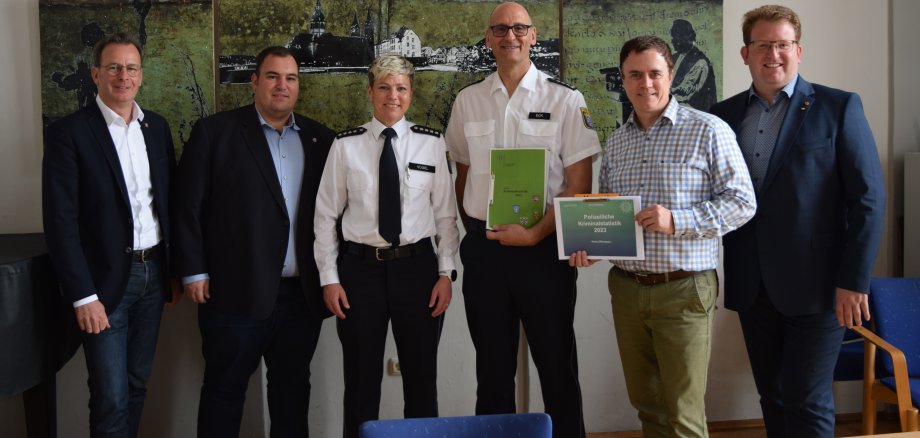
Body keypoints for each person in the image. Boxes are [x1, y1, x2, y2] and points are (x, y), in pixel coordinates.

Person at [709, 5, 885, 437]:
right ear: (744, 53)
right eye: (763, 45)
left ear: (799, 50)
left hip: (821, 286)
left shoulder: (839, 107)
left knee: (808, 401)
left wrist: (854, 279)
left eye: (783, 44)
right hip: (753, 284)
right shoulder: (723, 116)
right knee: (772, 396)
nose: (773, 54)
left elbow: (868, 200)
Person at [570, 35, 756, 437]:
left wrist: (679, 220)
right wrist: (592, 245)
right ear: (623, 80)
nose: (646, 83)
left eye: (655, 73)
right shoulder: (617, 143)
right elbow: (612, 215)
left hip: (684, 290)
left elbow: (743, 203)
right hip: (626, 290)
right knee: (647, 406)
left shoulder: (708, 130)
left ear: (670, 75)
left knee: (685, 413)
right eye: (634, 75)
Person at [444, 3, 601, 437]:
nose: (509, 35)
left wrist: (534, 234)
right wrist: (481, 227)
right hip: (486, 253)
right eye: (500, 29)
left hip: (544, 254)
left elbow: (579, 185)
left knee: (556, 368)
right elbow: (462, 174)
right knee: (491, 373)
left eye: (518, 28)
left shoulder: (566, 100)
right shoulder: (468, 100)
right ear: (489, 37)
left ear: (534, 36)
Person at [173, 46, 335, 437]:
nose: (283, 85)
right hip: (233, 293)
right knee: (224, 391)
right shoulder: (216, 133)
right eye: (273, 76)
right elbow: (186, 207)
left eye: (291, 78)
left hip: (301, 296)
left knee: (292, 391)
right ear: (254, 82)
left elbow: (333, 215)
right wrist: (193, 270)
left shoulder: (321, 140)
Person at [314, 53, 459, 438]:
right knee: (360, 382)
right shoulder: (345, 146)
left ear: (410, 93)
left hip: (419, 271)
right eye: (383, 87)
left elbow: (446, 217)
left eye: (400, 88)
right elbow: (326, 217)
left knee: (421, 379)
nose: (392, 96)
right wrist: (329, 278)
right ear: (370, 92)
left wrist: (446, 273)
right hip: (360, 272)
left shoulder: (431, 143)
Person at [42, 32, 176, 437]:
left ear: (141, 75)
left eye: (131, 68)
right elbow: (60, 221)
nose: (123, 76)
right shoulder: (70, 133)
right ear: (96, 74)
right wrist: (83, 295)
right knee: (111, 396)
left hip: (153, 275)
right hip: (102, 284)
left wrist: (172, 272)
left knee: (136, 387)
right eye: (114, 67)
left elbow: (166, 203)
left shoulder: (156, 127)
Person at [670, 19, 717, 111]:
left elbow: (683, 94)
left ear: (686, 37)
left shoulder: (700, 62)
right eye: (672, 37)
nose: (672, 41)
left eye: (675, 37)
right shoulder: (674, 57)